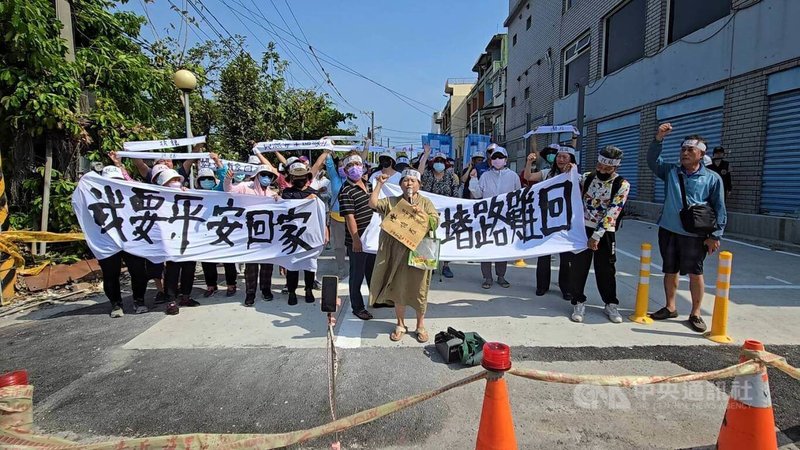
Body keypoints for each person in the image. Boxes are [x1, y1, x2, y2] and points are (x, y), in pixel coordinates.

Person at [647, 123, 727, 332]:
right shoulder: (671, 171)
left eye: (690, 150)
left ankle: (696, 313)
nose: (685, 153)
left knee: (695, 273)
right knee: (670, 269)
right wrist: (658, 139)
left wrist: (715, 234)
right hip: (669, 229)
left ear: (701, 154)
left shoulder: (712, 178)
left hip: (695, 234)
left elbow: (719, 207)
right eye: (683, 149)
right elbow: (652, 161)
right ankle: (670, 306)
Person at [368, 169, 439, 342]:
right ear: (400, 184)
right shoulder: (392, 201)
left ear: (419, 185)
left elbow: (435, 222)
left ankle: (420, 325)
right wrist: (379, 184)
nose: (409, 183)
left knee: (420, 290)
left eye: (413, 181)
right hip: (397, 253)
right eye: (405, 180)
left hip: (418, 253)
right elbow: (373, 204)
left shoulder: (425, 202)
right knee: (399, 289)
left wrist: (423, 215)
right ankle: (400, 324)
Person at [569, 146, 630, 323]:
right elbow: (570, 180)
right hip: (582, 228)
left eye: (607, 168)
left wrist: (597, 236)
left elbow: (613, 211)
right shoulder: (587, 177)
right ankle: (578, 301)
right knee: (579, 267)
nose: (602, 170)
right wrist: (570, 169)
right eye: (600, 166)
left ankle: (610, 303)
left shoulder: (622, 185)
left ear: (615, 168)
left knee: (606, 269)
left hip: (605, 231)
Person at [524, 142, 577, 299]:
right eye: (559, 157)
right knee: (544, 254)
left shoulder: (575, 175)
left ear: (571, 160)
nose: (560, 160)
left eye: (564, 157)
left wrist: (573, 171)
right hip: (546, 219)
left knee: (566, 256)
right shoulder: (547, 173)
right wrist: (529, 163)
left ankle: (566, 288)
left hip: (566, 221)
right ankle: (542, 286)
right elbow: (528, 177)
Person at [224, 164, 281, 306]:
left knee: (267, 263)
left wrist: (278, 199)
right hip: (248, 231)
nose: (266, 178)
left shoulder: (271, 193)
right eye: (264, 175)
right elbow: (229, 191)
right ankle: (250, 292)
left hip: (267, 232)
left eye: (269, 176)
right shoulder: (245, 187)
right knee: (251, 264)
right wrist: (227, 179)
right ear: (257, 175)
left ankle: (266, 289)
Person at [97, 166, 149, 317]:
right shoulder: (94, 196)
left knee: (139, 271)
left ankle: (139, 301)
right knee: (110, 274)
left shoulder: (130, 194)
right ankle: (116, 305)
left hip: (131, 239)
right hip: (107, 241)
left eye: (118, 181)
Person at [469, 146, 520, 289]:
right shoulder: (485, 176)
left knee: (501, 247)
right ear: (490, 160)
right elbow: (478, 194)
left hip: (505, 218)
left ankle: (501, 276)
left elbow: (518, 197)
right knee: (486, 247)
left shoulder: (513, 176)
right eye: (494, 158)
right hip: (487, 217)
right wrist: (473, 180)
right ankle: (487, 277)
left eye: (500, 157)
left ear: (506, 159)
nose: (497, 160)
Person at [338, 152, 378, 320]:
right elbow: (349, 217)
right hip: (358, 239)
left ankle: (376, 299)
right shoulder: (346, 191)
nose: (354, 168)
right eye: (349, 165)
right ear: (345, 170)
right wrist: (356, 240)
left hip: (372, 239)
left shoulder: (369, 185)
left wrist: (380, 185)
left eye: (357, 164)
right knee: (357, 274)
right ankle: (357, 306)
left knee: (373, 271)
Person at [157, 168, 200, 315]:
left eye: (177, 180)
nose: (176, 183)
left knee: (189, 269)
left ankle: (186, 296)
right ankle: (171, 300)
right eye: (172, 181)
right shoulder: (158, 198)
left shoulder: (186, 195)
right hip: (171, 241)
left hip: (188, 239)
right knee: (173, 271)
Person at [281, 162, 324, 305]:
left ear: (307, 176)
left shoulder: (314, 193)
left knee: (309, 264)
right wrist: (306, 200)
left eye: (302, 176)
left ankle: (308, 289)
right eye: (296, 176)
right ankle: (292, 291)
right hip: (292, 235)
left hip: (310, 234)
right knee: (292, 265)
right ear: (291, 178)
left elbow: (321, 215)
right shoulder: (287, 193)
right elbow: (288, 208)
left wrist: (325, 232)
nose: (300, 179)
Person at [195, 167, 238, 298]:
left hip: (223, 229)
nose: (207, 181)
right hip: (204, 231)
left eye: (209, 178)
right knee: (207, 260)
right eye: (203, 179)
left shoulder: (219, 190)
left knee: (228, 259)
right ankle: (211, 285)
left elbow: (225, 178)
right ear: (198, 181)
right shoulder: (194, 194)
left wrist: (218, 164)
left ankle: (231, 284)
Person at [421, 151, 459, 278]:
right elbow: (419, 174)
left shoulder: (451, 177)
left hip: (446, 214)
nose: (439, 163)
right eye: (437, 161)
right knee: (429, 238)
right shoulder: (427, 175)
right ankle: (429, 264)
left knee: (446, 239)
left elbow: (456, 196)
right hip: (428, 213)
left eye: (441, 161)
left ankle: (446, 265)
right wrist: (425, 155)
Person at [324, 150, 349, 278]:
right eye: (339, 165)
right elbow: (329, 164)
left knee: (354, 245)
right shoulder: (334, 178)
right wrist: (327, 150)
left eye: (343, 165)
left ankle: (354, 268)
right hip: (336, 217)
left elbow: (361, 158)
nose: (341, 168)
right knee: (339, 246)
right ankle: (341, 268)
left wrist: (366, 146)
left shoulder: (354, 178)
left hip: (352, 217)